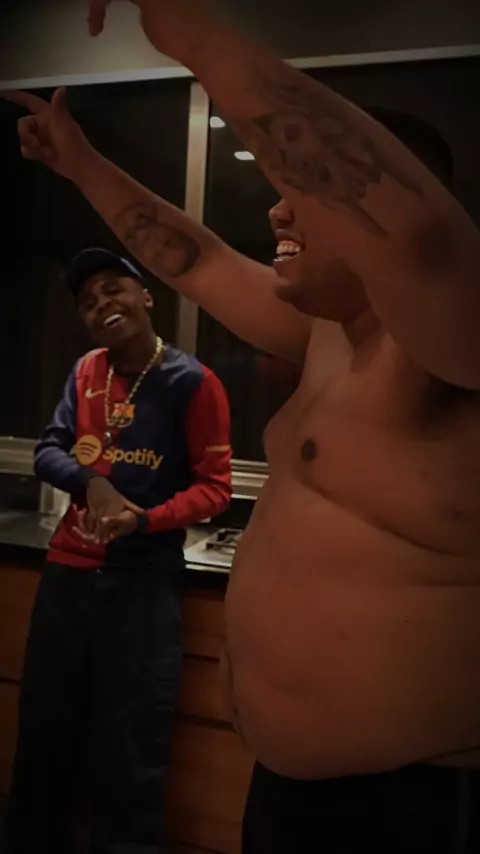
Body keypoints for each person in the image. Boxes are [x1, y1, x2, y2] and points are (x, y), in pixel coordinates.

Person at [4, 0, 480, 849]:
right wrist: (81, 165)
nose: (276, 214)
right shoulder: (330, 336)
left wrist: (184, 28)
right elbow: (194, 257)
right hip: (290, 796)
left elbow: (426, 242)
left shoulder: (455, 343)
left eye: (300, 193)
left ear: (373, 217)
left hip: (409, 807)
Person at [6, 246, 232, 854]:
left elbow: (215, 489)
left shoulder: (194, 383)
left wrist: (146, 520)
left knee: (131, 753)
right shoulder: (87, 372)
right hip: (67, 578)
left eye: (114, 288)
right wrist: (92, 483)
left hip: (143, 586)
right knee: (44, 741)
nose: (102, 303)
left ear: (146, 296)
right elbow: (49, 450)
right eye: (88, 301)